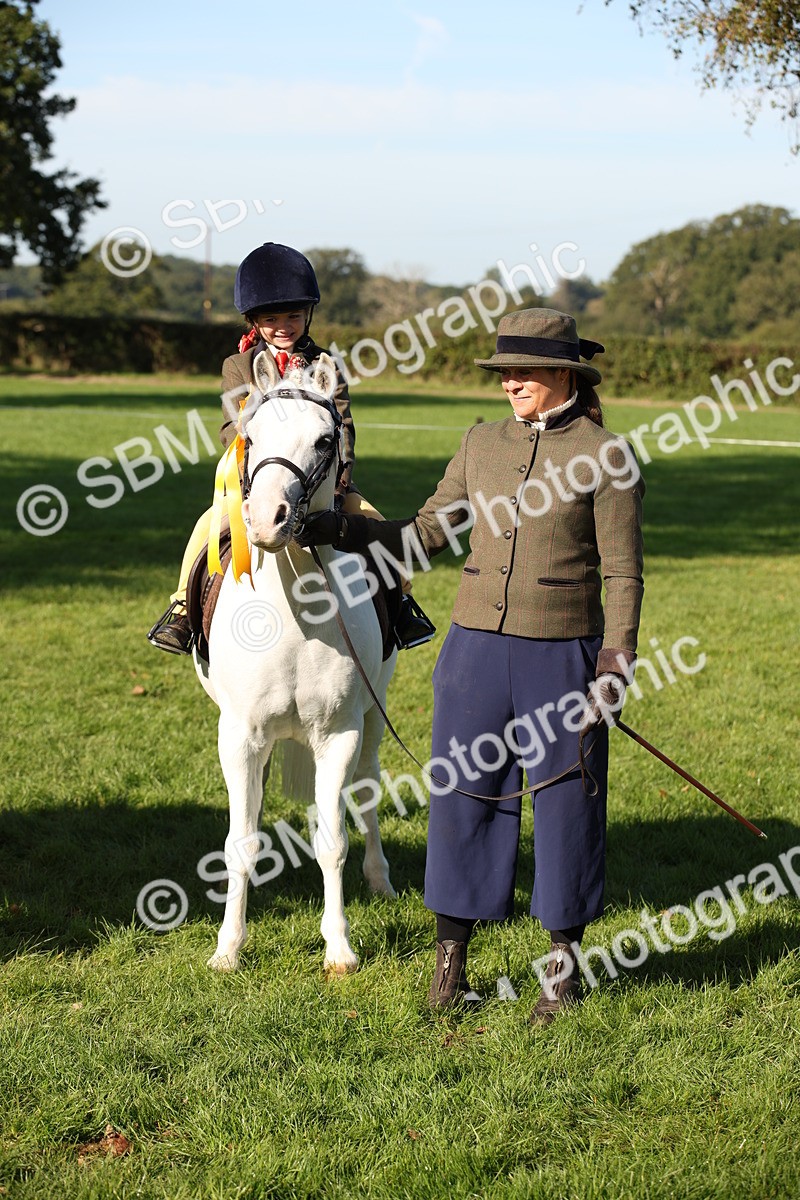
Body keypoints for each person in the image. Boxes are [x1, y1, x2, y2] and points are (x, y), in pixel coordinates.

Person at [297, 308, 645, 1025]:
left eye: (523, 371)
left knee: (565, 806)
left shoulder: (609, 455)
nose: (510, 381)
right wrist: (346, 530)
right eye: (503, 371)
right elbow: (425, 535)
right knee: (462, 803)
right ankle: (450, 967)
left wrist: (616, 658)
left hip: (564, 656)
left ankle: (562, 972)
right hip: (473, 652)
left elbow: (624, 573)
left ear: (563, 375)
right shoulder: (480, 443)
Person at [147, 242, 435, 654]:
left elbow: (344, 428)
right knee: (205, 528)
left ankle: (401, 602)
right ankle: (181, 610)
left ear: (307, 315)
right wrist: (250, 480)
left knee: (374, 522)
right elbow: (233, 428)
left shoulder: (326, 364)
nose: (284, 326)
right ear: (255, 321)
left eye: (293, 316)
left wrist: (341, 483)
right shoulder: (238, 367)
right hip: (256, 481)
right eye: (272, 318)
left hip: (322, 481)